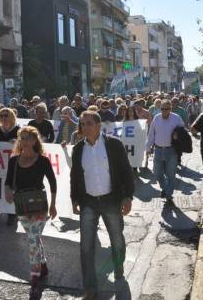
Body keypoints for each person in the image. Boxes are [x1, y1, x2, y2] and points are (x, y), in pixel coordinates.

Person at [71, 111, 134, 299]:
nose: (85, 127)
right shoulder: (78, 150)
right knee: (86, 246)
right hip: (88, 202)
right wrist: (74, 199)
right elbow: (75, 177)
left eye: (89, 123)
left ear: (99, 126)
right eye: (82, 124)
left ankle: (119, 269)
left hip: (111, 200)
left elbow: (126, 172)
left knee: (116, 239)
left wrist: (127, 197)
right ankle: (90, 288)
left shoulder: (113, 145)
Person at [4, 126, 57, 297]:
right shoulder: (14, 161)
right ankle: (43, 265)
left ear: (35, 140)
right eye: (22, 138)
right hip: (22, 205)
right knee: (34, 238)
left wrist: (53, 205)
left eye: (28, 138)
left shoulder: (42, 160)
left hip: (39, 206)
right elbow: (7, 182)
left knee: (33, 239)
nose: (25, 141)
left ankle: (34, 279)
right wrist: (7, 190)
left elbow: (53, 183)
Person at [146, 100, 184, 203]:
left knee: (171, 175)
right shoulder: (157, 118)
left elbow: (183, 132)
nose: (164, 111)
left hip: (171, 150)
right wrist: (148, 148)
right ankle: (166, 189)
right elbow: (151, 134)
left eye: (166, 109)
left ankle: (168, 195)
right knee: (157, 173)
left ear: (170, 109)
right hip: (158, 150)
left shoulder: (176, 118)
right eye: (162, 109)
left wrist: (178, 135)